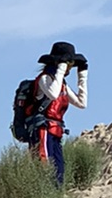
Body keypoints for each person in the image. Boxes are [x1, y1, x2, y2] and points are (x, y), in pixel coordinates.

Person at [30, 40, 88, 187]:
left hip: (56, 131)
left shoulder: (61, 84)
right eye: (68, 64)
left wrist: (82, 76)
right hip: (43, 130)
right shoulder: (44, 79)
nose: (69, 68)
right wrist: (61, 69)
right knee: (45, 166)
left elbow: (82, 103)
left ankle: (57, 195)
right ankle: (46, 197)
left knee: (59, 169)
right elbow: (53, 95)